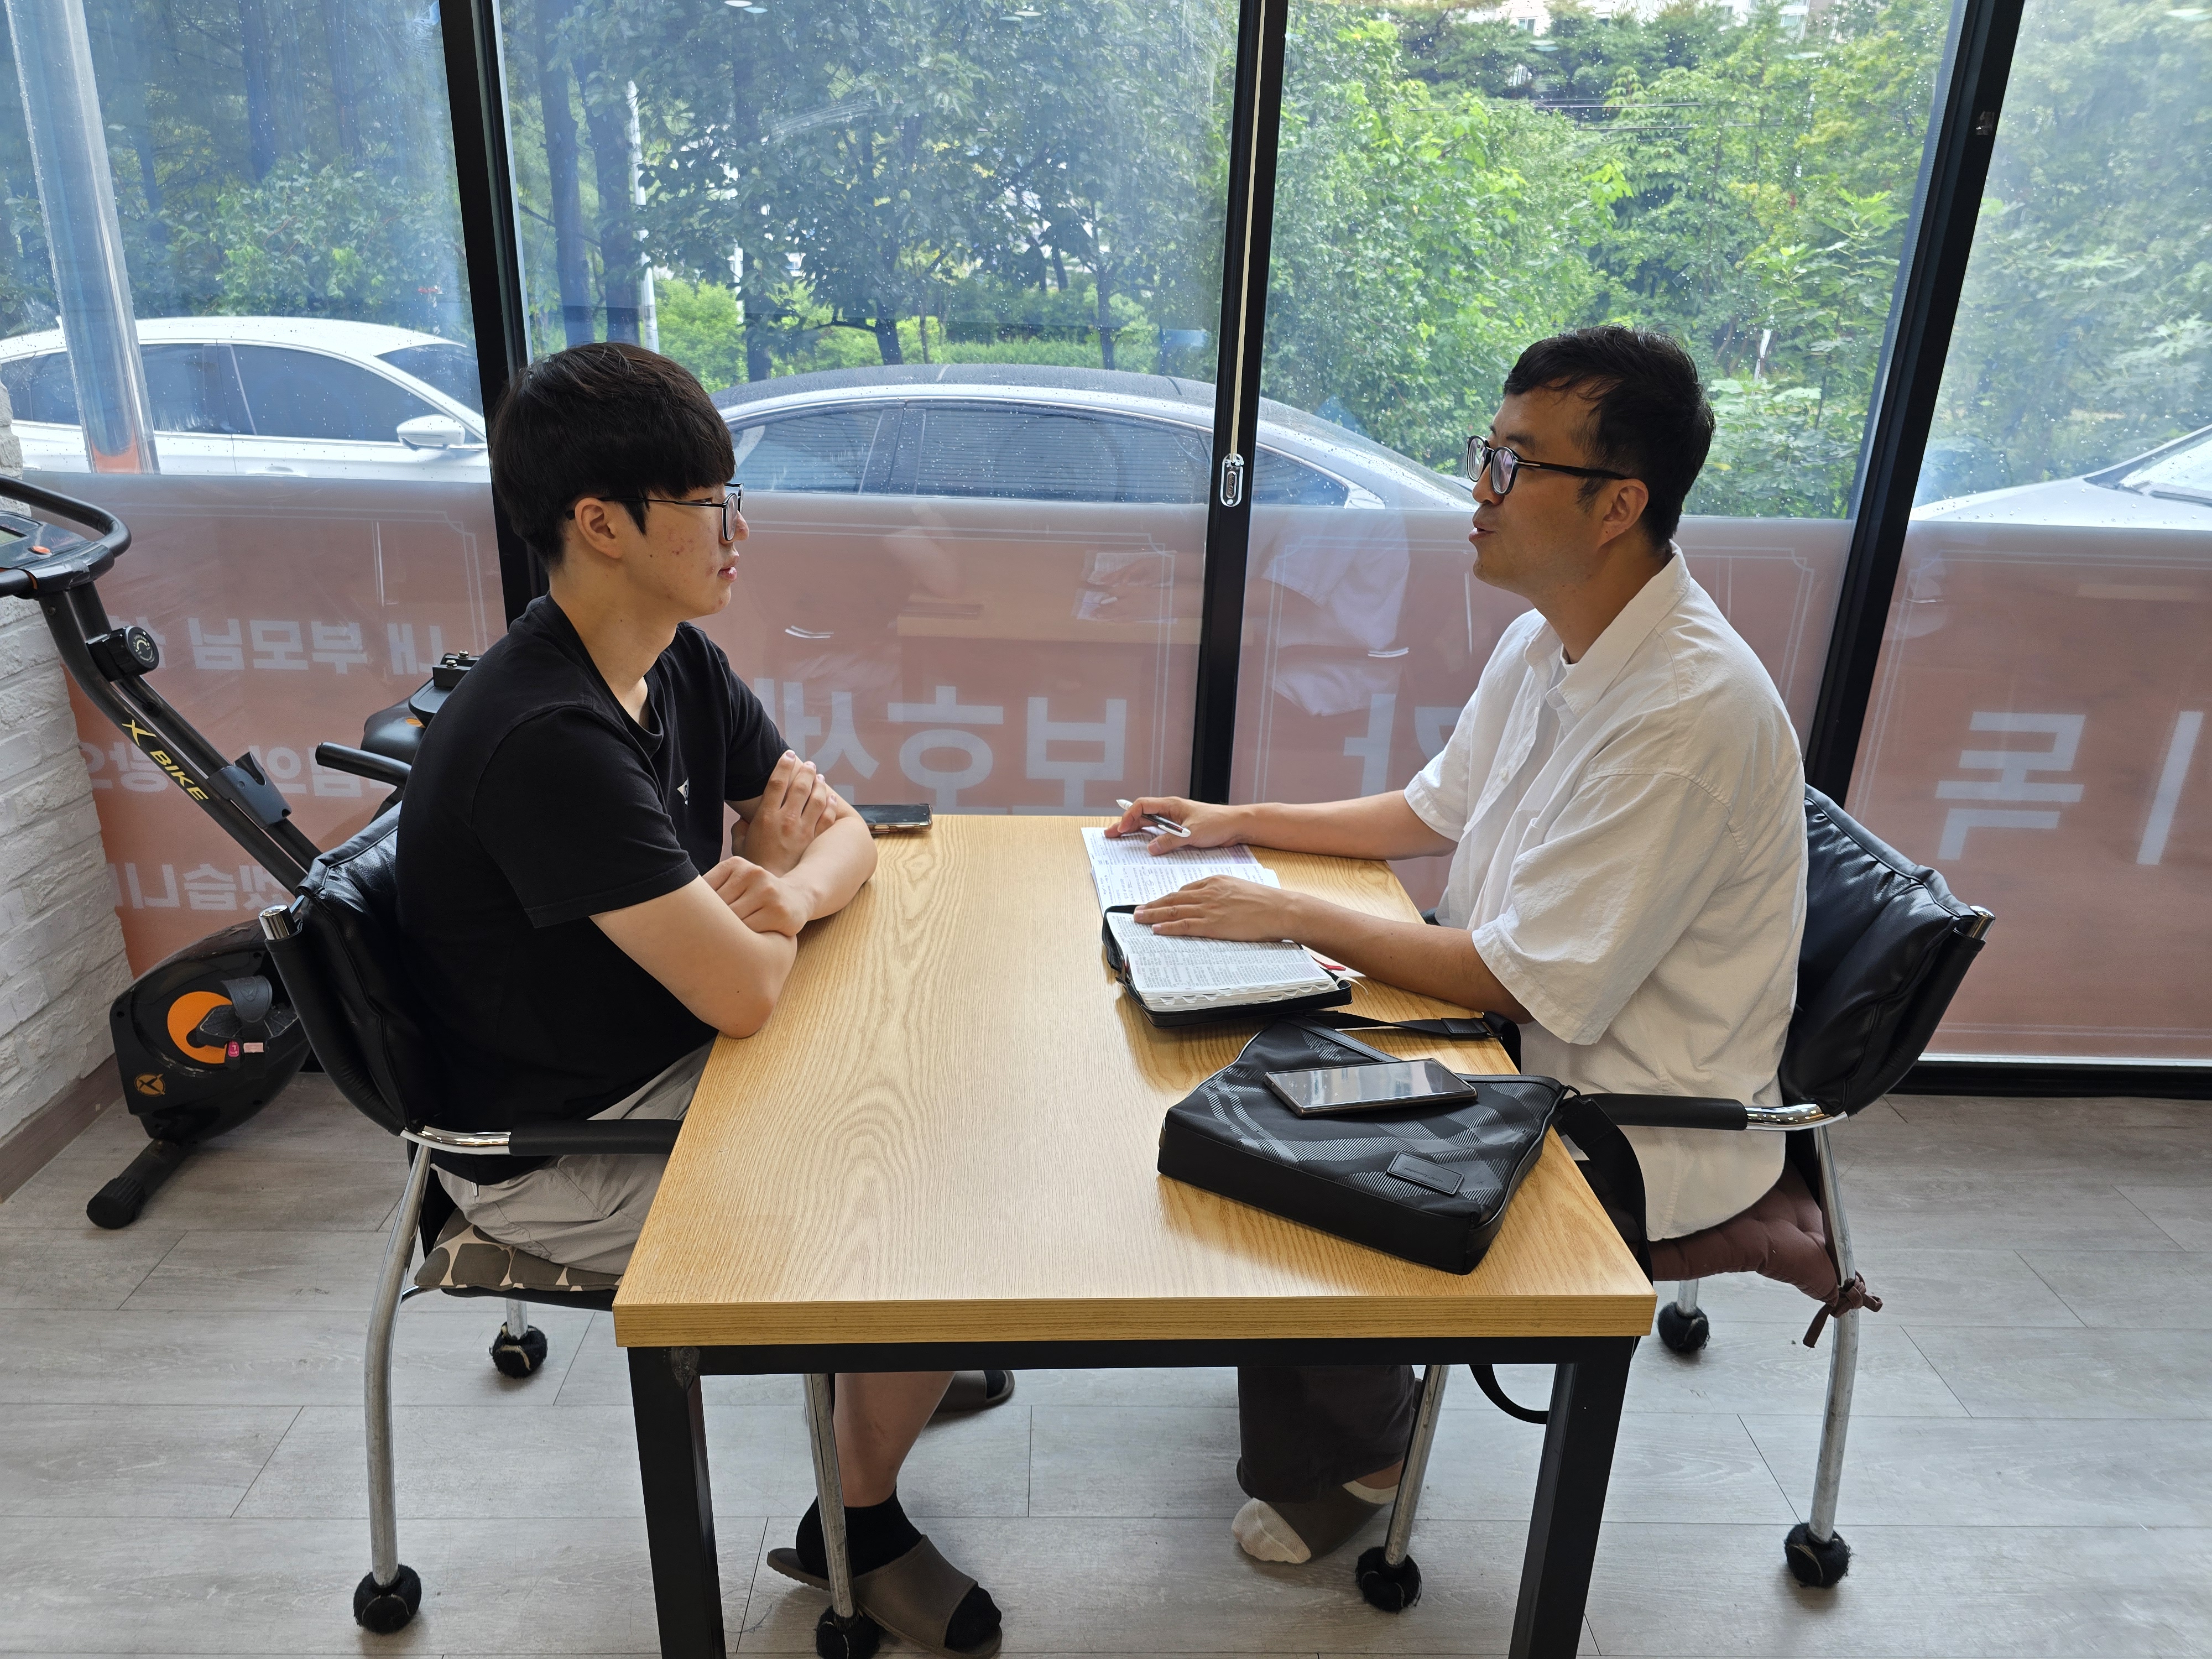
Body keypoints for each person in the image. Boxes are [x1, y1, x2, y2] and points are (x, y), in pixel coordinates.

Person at [1110, 325, 1806, 1567]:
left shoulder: (1687, 711)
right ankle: (1336, 1385)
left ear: (1618, 504)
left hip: (1626, 1114)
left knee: (1285, 1120)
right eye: (1486, 451)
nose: (1476, 490)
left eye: (1512, 464)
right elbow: (1433, 810)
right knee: (1242, 1055)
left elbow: (1512, 980)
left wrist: (1290, 912)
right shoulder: (1556, 633)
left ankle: (1362, 1455)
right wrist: (1237, 822)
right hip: (1513, 1038)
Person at [397, 342, 1005, 1657]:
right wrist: (775, 903)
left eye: (737, 497)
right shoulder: (547, 737)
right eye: (709, 504)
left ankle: (891, 1368)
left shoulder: (671, 660)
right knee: (920, 1201)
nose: (740, 531)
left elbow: (843, 833)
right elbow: (742, 993)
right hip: (565, 1150)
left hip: (666, 1062)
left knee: (944, 1074)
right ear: (601, 524)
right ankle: (858, 1526)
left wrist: (777, 887)